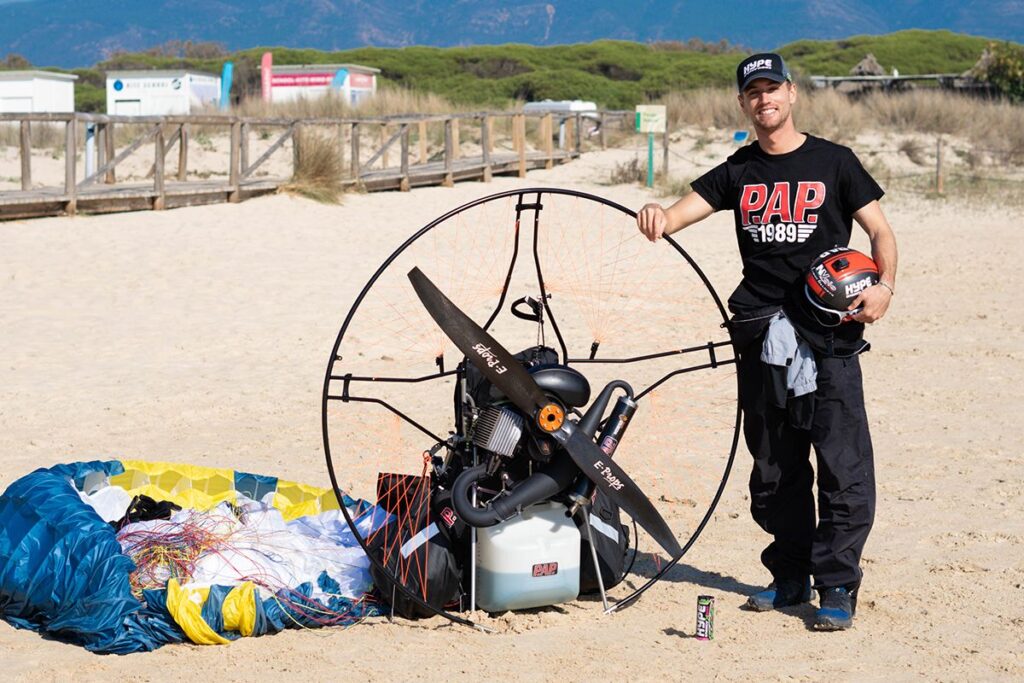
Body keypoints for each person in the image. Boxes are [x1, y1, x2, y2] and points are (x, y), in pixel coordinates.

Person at [636, 53, 898, 631]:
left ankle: (836, 586)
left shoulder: (835, 162)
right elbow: (680, 214)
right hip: (758, 330)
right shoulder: (739, 169)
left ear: (792, 93)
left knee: (842, 462)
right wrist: (657, 213)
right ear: (743, 103)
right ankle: (790, 576)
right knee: (774, 466)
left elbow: (880, 231)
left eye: (772, 88)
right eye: (753, 92)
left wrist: (884, 288)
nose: (764, 99)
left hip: (831, 331)